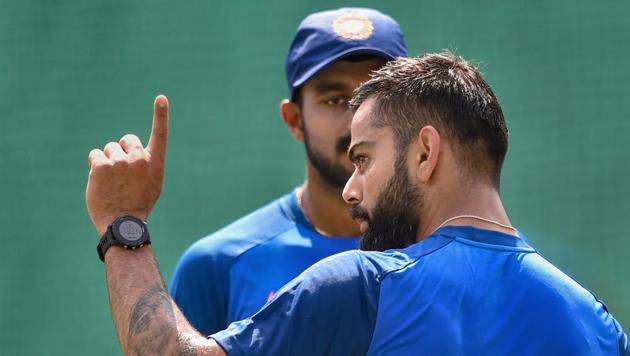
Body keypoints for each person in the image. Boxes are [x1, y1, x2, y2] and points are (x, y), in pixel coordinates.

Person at [85, 52, 629, 355]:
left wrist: (122, 223)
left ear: (424, 154)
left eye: (363, 158)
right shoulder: (597, 328)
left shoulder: (361, 287)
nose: (350, 188)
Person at [168, 8, 408, 336]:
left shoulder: (447, 249)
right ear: (295, 120)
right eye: (335, 99)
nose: (357, 121)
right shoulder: (217, 265)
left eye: (377, 98)